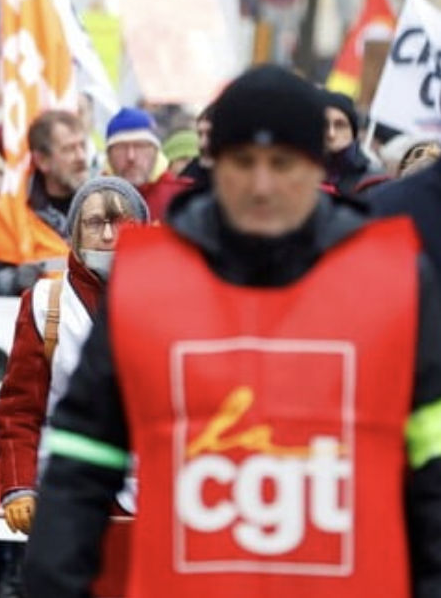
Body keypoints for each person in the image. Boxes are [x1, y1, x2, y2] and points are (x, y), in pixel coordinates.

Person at [26, 65, 441, 597]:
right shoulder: (148, 285)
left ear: (318, 166)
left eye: (282, 163)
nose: (262, 184)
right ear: (213, 164)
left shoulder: (395, 279)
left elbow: (433, 471)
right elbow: (84, 458)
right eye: (243, 162)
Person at [0, 176, 148, 596]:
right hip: (69, 493)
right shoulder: (46, 301)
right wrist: (18, 486)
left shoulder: (170, 298)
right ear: (75, 230)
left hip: (153, 497)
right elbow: (19, 410)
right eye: (96, 222)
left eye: (121, 220)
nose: (109, 234)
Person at [0, 109, 91, 294]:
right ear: (42, 160)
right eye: (69, 149)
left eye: (82, 146)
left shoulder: (105, 203)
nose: (80, 157)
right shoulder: (7, 216)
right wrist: (11, 281)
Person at [103, 107, 191, 218]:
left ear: (155, 151)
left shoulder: (181, 196)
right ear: (109, 155)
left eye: (140, 146)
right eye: (121, 147)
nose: (131, 156)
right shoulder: (93, 200)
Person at [322, 90, 381, 196]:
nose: (331, 134)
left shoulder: (374, 182)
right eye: (324, 124)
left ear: (353, 132)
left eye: (340, 125)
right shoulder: (296, 168)